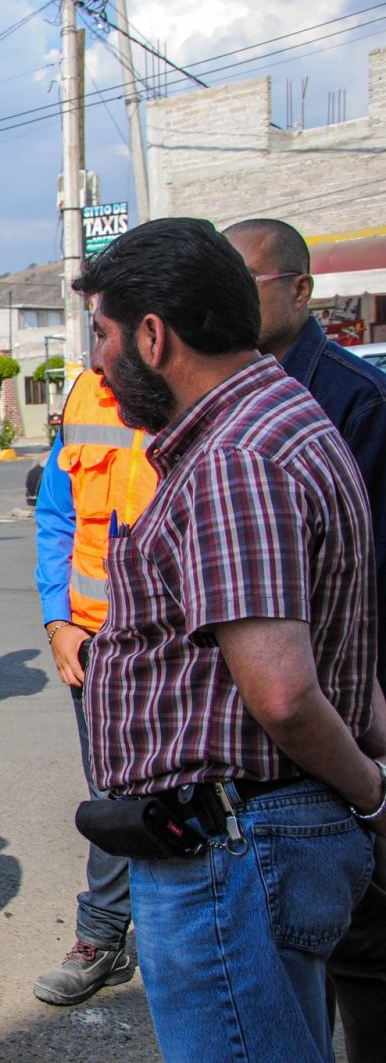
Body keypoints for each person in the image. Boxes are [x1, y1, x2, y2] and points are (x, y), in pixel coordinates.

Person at [77, 218, 385, 1063]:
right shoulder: (282, 417)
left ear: (152, 334)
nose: (98, 364)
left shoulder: (235, 458)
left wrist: (372, 793)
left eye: (102, 334)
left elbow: (285, 691)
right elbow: (345, 648)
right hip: (253, 847)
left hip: (234, 855)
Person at [224, 216, 386, 1062]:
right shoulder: (224, 398)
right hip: (264, 734)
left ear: (300, 288)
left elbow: (359, 589)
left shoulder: (351, 398)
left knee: (359, 948)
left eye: (243, 279)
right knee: (284, 967)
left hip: (333, 711)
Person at [30, 364, 157, 1004]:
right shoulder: (87, 393)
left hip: (190, 647)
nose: (97, 341)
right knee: (110, 793)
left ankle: (177, 934)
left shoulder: (207, 381)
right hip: (96, 641)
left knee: (198, 798)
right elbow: (56, 515)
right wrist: (58, 618)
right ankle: (104, 935)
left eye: (108, 322)